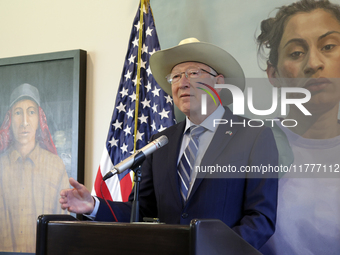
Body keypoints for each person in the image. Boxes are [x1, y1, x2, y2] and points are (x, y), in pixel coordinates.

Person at [60, 38, 279, 250]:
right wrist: (94, 206)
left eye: (193, 73)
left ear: (219, 83)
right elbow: (141, 211)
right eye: (175, 76)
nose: (183, 82)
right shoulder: (160, 143)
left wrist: (213, 251)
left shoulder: (254, 136)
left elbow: (260, 219)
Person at [257, 0, 340, 254]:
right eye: (296, 53)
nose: (313, 63)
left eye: (328, 46)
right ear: (274, 74)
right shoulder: (247, 151)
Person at [0, 83, 69, 253]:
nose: (24, 122)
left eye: (31, 112)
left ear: (40, 119)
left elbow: (64, 228)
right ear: (10, 119)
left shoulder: (56, 167)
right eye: (18, 113)